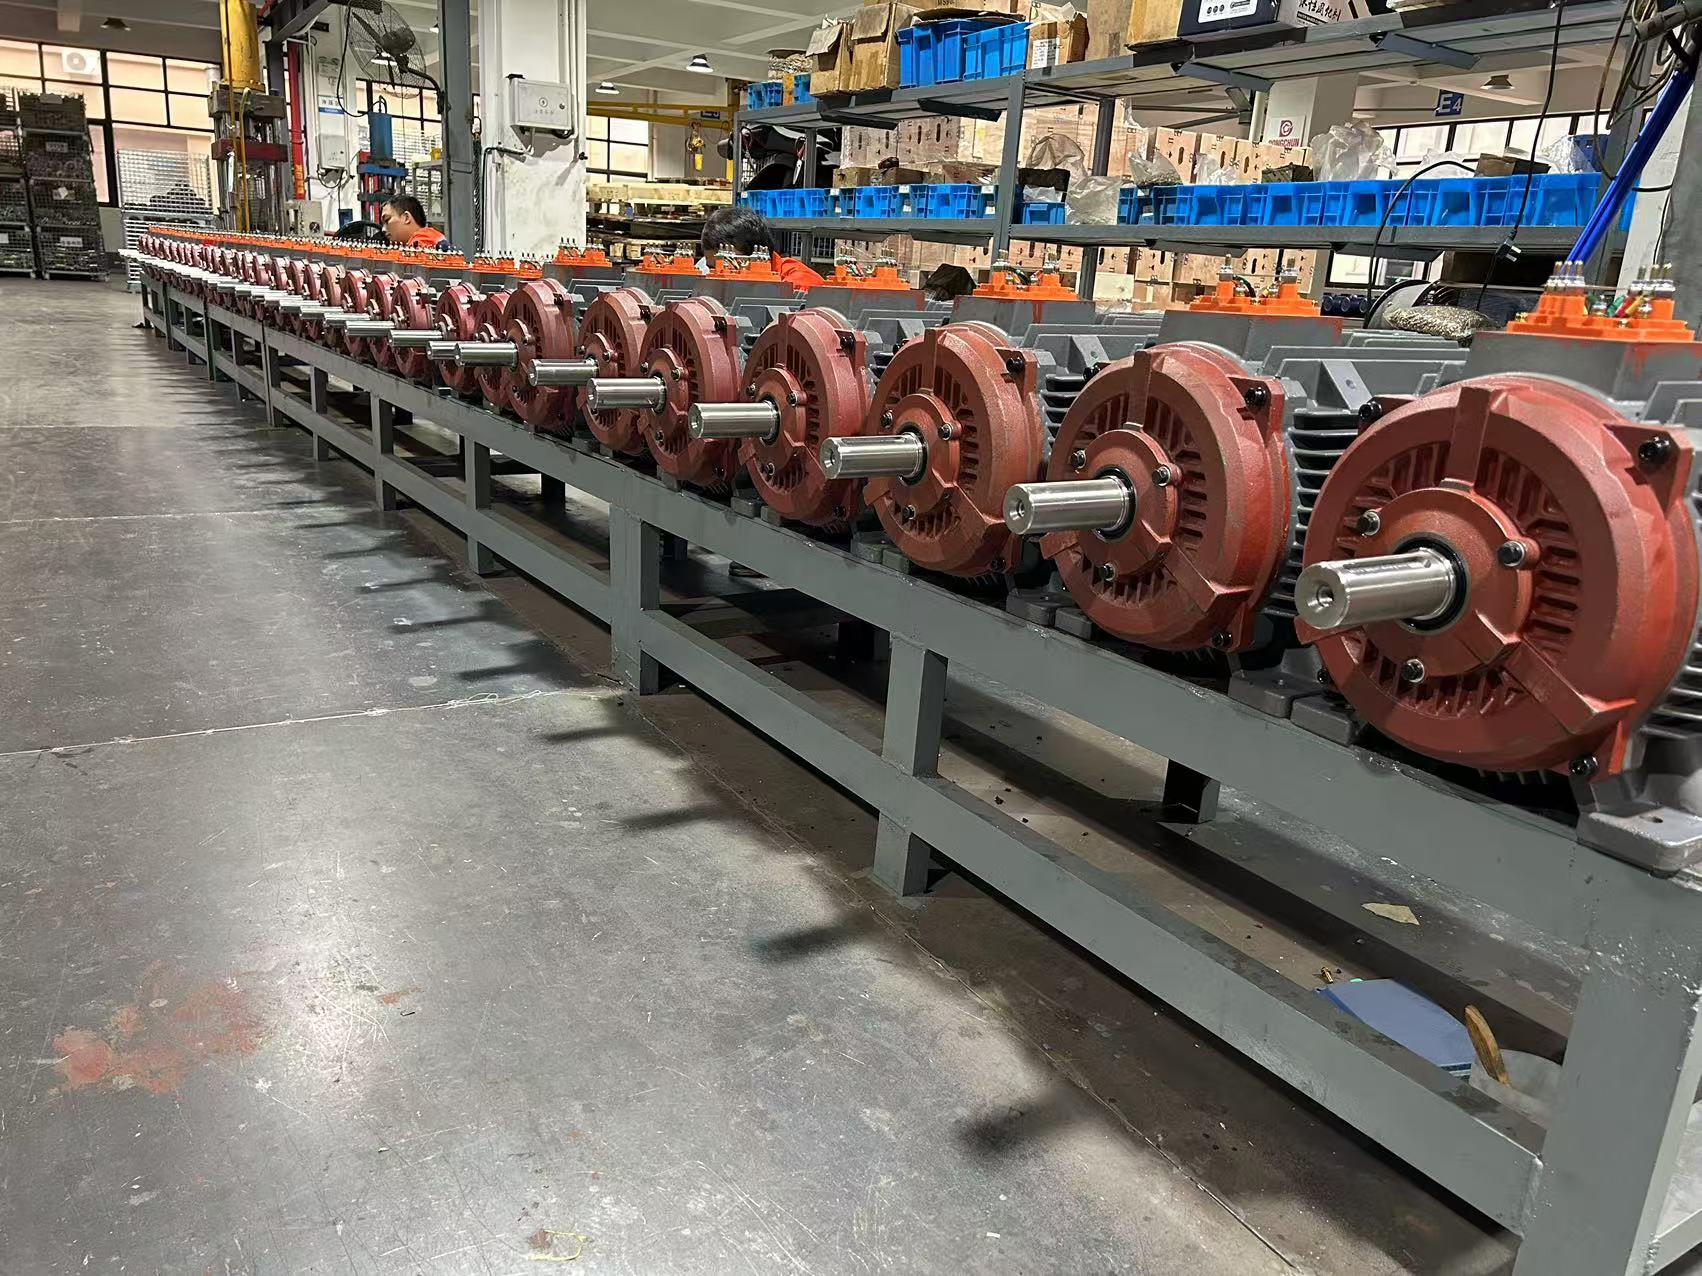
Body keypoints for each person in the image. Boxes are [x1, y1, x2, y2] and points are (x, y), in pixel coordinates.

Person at [698, 205, 824, 288]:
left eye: (727, 267)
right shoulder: (706, 276)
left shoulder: (800, 283)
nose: (718, 276)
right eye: (713, 268)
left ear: (755, 255)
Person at [381, 193, 449, 250]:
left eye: (387, 220)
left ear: (406, 218)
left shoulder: (422, 241)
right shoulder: (429, 236)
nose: (383, 229)